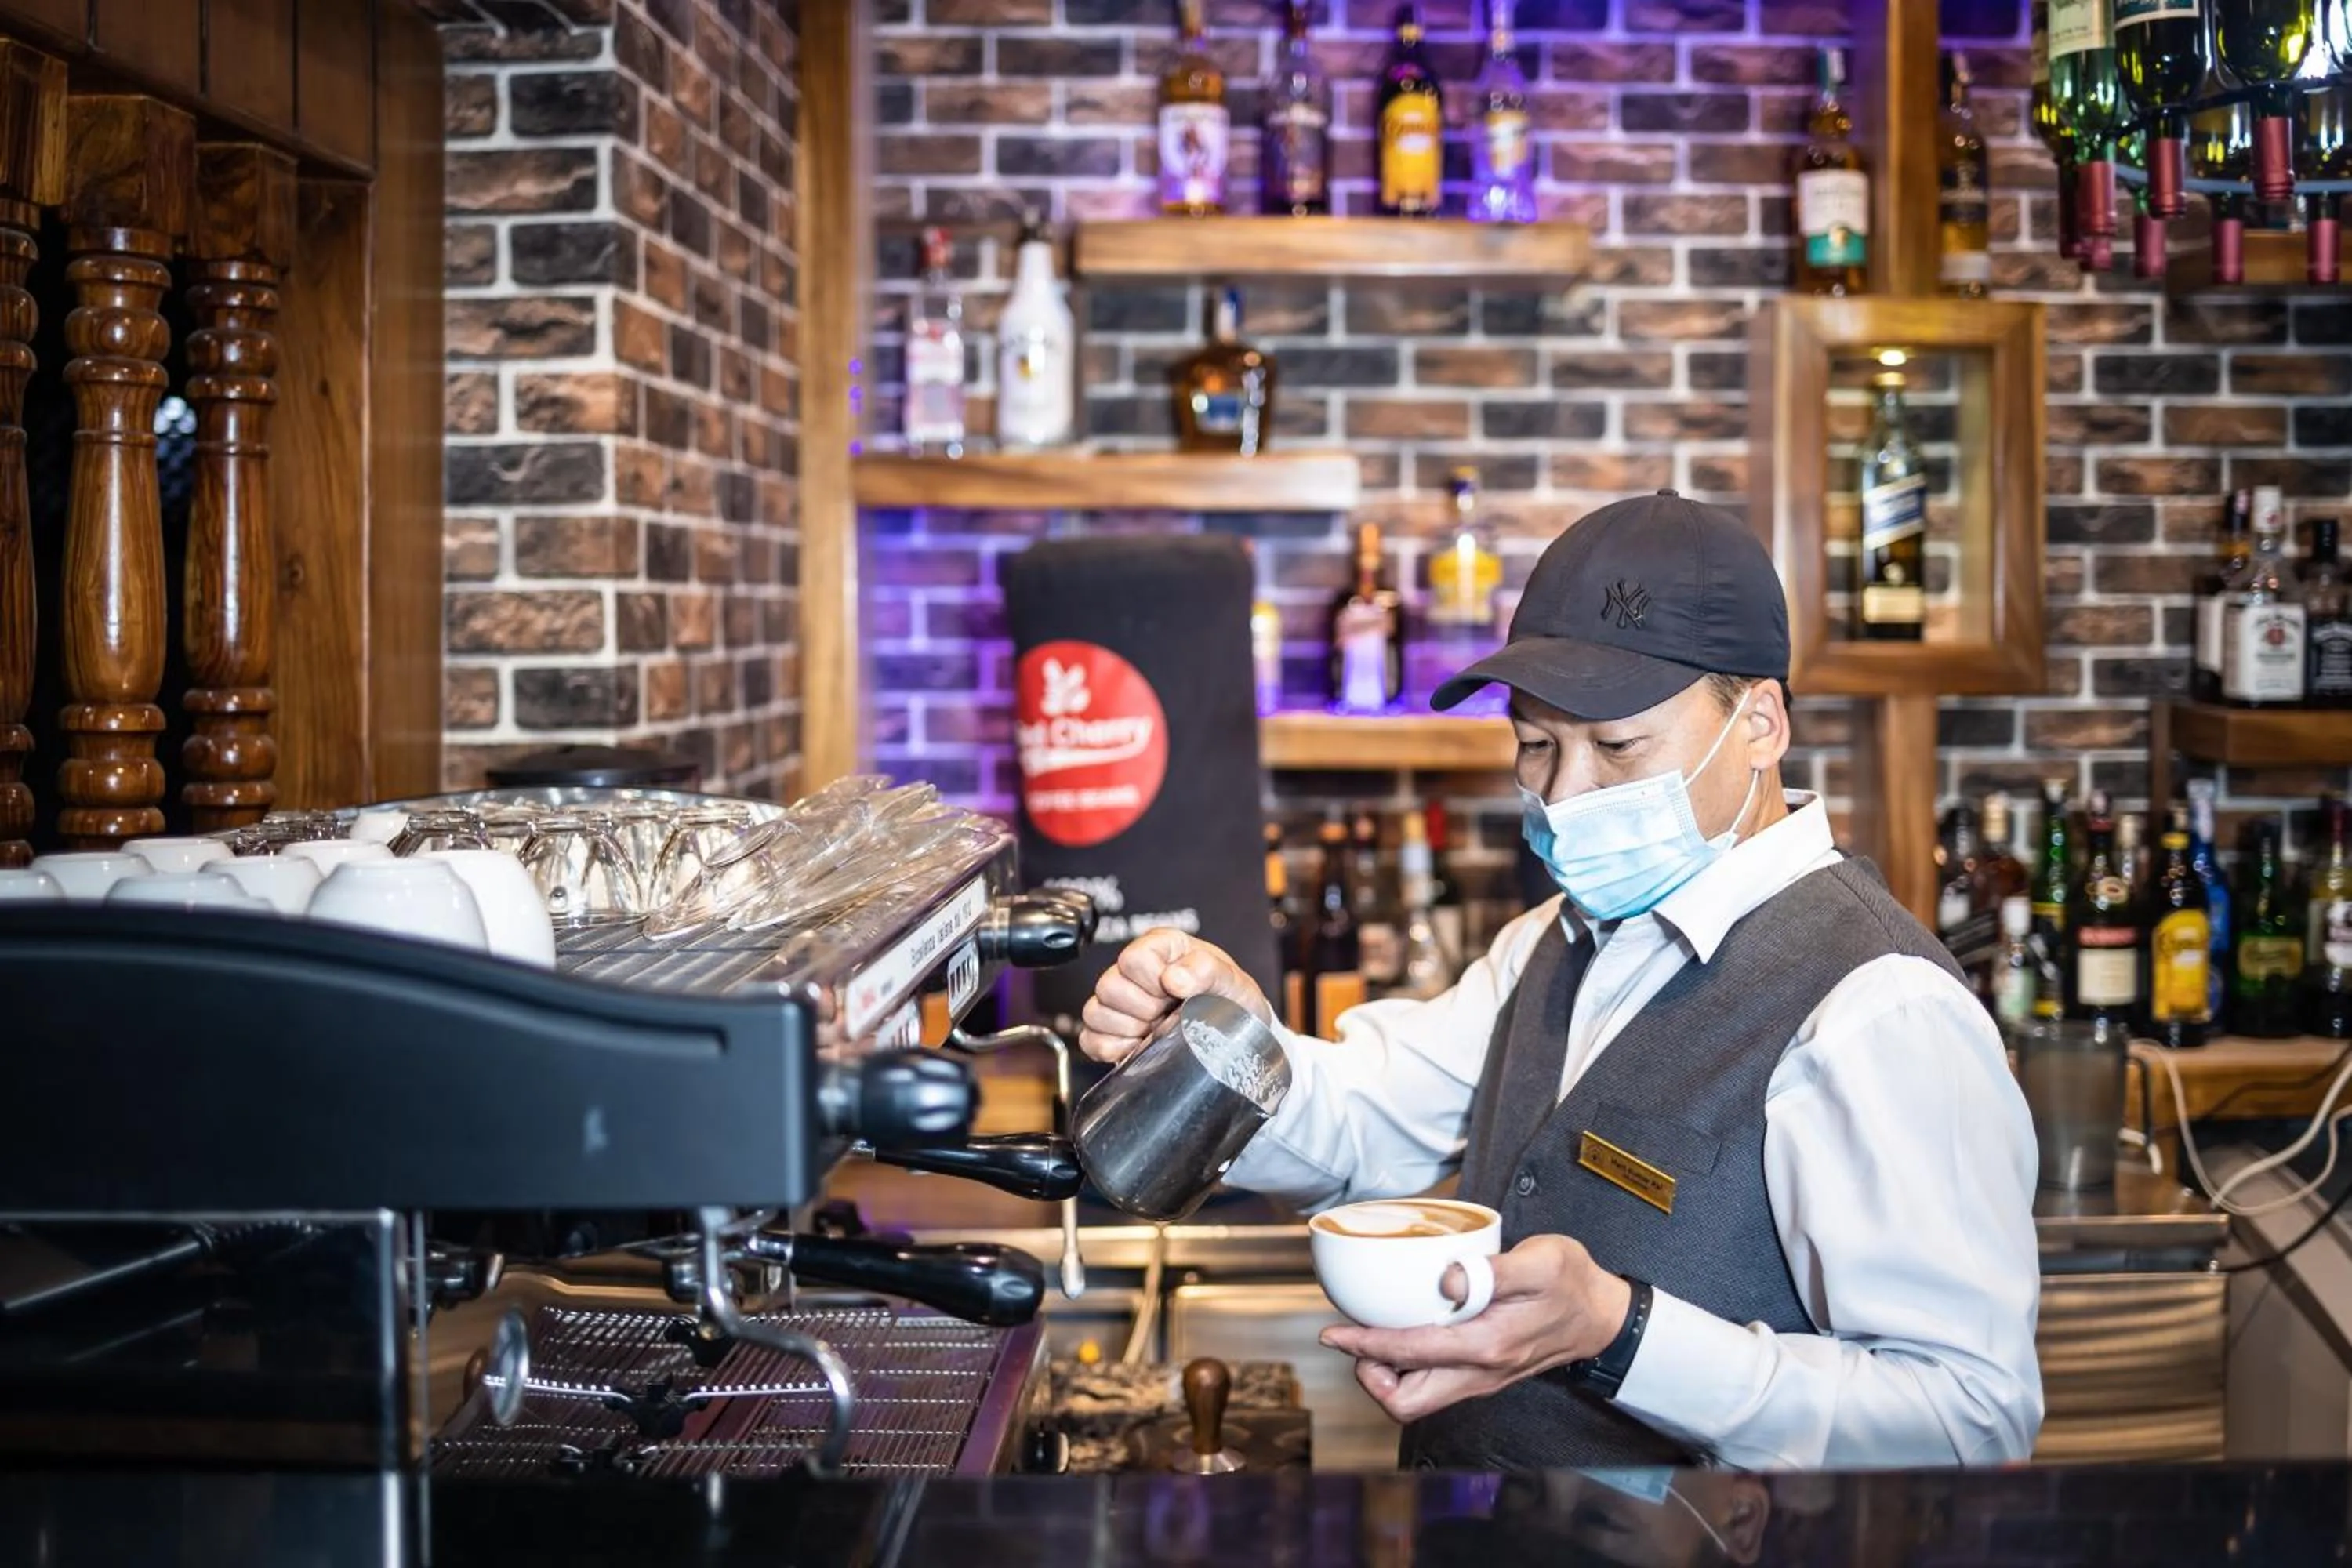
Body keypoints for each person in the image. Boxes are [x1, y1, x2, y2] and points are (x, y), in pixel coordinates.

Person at [1077, 491, 2042, 1472]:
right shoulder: (1560, 934)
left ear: (1759, 723)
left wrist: (1621, 1332)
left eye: (1617, 745)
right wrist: (1228, 1042)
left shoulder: (1879, 1007)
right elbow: (1370, 1119)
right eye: (1536, 745)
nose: (1565, 793)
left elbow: (1969, 1415)